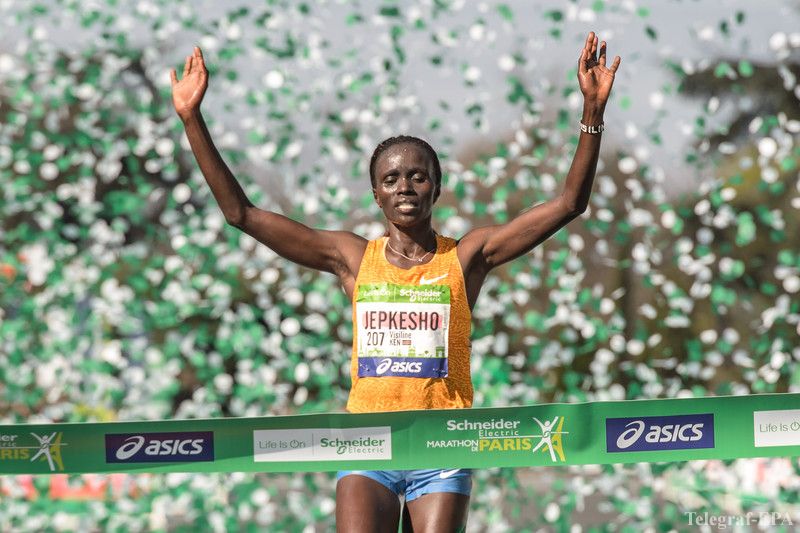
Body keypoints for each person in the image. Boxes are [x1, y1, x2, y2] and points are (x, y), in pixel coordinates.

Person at [171, 31, 620, 533]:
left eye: (417, 176)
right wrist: (192, 119)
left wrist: (592, 116)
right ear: (376, 195)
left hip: (443, 443)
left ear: (437, 188)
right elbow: (242, 214)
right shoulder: (352, 257)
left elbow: (568, 205)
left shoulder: (466, 256)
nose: (404, 186)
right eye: (391, 179)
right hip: (368, 443)